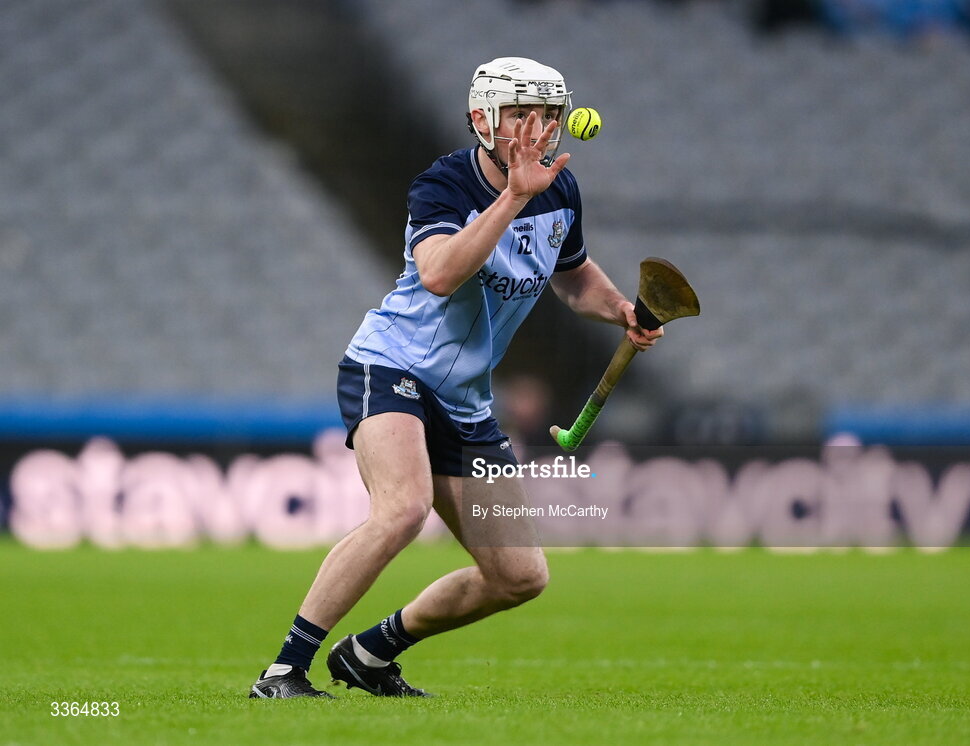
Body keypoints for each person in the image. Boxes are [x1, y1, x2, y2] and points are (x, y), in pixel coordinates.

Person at [250, 56, 662, 699]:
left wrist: (620, 310)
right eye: (521, 114)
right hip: (392, 367)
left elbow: (574, 275)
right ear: (481, 119)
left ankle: (370, 653)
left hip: (466, 400)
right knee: (403, 508)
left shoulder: (562, 189)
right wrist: (512, 199)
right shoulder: (442, 185)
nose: (540, 128)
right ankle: (283, 670)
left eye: (549, 114)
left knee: (518, 575)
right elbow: (441, 272)